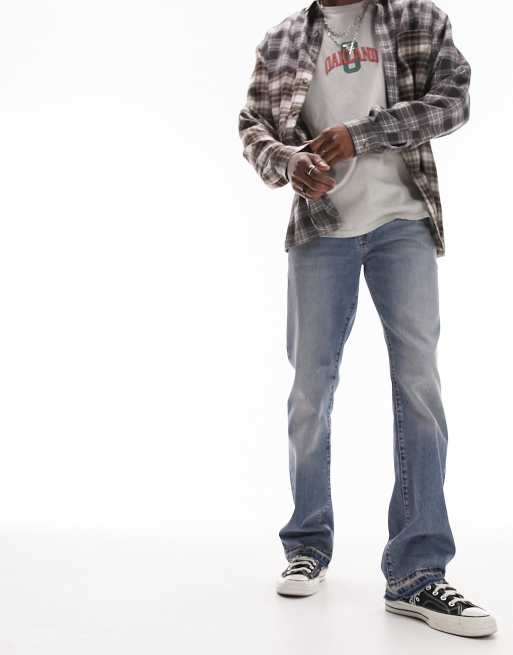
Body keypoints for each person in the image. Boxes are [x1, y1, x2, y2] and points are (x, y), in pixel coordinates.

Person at [238, 0, 497, 638]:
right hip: (320, 230)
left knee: (419, 387)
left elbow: (454, 101)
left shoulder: (417, 18)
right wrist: (288, 162)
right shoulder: (283, 40)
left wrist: (364, 134)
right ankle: (307, 543)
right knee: (310, 389)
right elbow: (253, 126)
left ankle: (417, 573)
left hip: (402, 222)